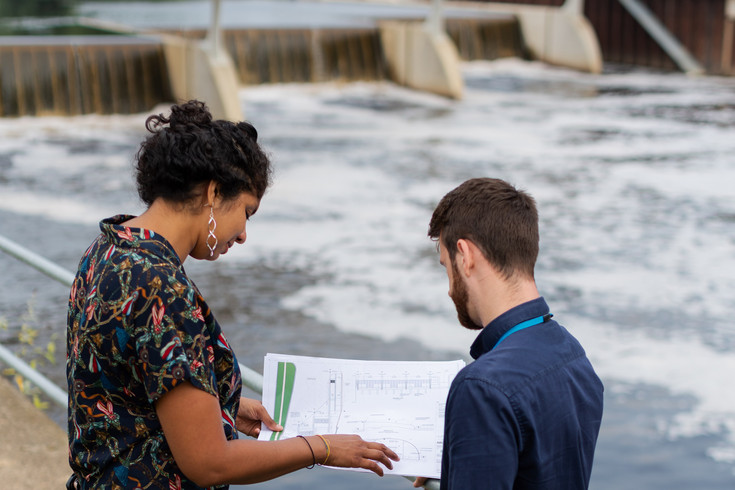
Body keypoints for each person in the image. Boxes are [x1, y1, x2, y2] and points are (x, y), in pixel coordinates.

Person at [66, 100, 398, 489]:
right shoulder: (161, 287)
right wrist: (320, 448)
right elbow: (211, 464)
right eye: (246, 212)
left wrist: (219, 406)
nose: (242, 234)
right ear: (214, 191)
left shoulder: (108, 248)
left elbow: (121, 385)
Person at [413, 178, 603, 490]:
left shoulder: (481, 387)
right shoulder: (573, 356)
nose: (449, 289)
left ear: (465, 255)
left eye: (446, 267)